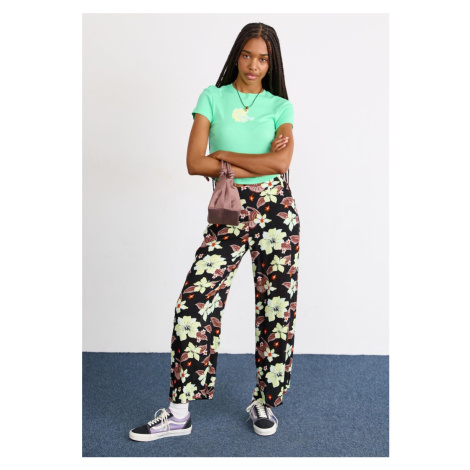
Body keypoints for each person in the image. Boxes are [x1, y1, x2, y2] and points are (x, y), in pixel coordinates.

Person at [129, 22, 300, 442]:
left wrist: (222, 156)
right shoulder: (212, 97)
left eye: (263, 58)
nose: (254, 65)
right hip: (229, 209)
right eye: (247, 55)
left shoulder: (281, 107)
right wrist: (249, 162)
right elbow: (194, 162)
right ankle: (178, 415)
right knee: (194, 304)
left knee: (276, 309)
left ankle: (264, 400)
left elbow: (280, 164)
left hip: (277, 213)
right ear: (236, 55)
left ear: (272, 63)